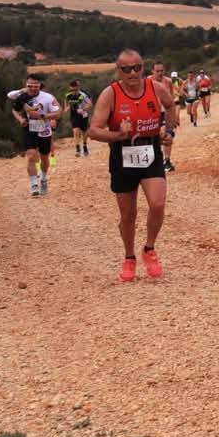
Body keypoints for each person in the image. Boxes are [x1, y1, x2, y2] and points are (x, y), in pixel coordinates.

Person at [88, 49, 176, 281]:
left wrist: (169, 130)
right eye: (126, 69)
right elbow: (93, 131)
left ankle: (149, 249)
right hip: (122, 154)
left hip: (150, 151)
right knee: (128, 215)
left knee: (157, 204)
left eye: (137, 67)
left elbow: (171, 105)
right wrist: (118, 134)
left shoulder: (155, 88)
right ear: (119, 71)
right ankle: (129, 257)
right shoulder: (111, 94)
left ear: (143, 68)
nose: (133, 73)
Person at [8, 74, 61, 197]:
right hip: (29, 128)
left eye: (35, 86)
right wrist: (20, 119)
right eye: (30, 86)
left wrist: (44, 116)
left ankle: (43, 179)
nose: (32, 88)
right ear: (26, 85)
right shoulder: (22, 96)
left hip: (44, 128)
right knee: (31, 155)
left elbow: (58, 112)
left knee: (44, 157)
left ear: (40, 86)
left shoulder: (48, 97)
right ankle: (34, 185)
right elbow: (14, 108)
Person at [150, 61, 176, 172]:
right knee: (153, 138)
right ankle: (155, 160)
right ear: (152, 71)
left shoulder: (168, 81)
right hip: (151, 114)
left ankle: (167, 160)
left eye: (162, 71)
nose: (160, 73)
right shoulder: (147, 82)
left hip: (165, 113)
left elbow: (171, 99)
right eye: (157, 71)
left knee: (167, 135)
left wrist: (174, 116)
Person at [64, 80, 92, 157]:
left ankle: (85, 146)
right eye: (72, 90)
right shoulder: (68, 95)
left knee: (84, 132)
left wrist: (83, 109)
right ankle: (78, 149)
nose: (74, 91)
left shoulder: (83, 95)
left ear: (78, 88)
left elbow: (89, 104)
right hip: (74, 115)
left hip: (83, 115)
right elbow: (66, 102)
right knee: (76, 131)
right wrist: (66, 108)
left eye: (75, 90)